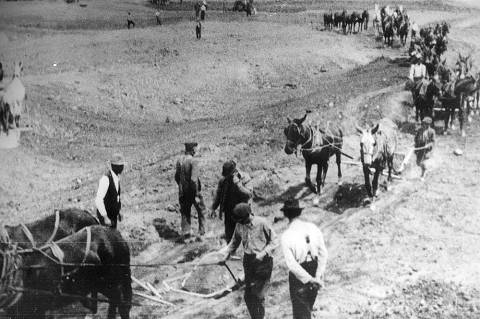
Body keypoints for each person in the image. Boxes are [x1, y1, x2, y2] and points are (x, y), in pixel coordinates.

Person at [218, 203, 278, 319]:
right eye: (239, 221)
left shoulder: (262, 223)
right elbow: (234, 242)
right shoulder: (240, 225)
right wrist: (225, 254)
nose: (241, 223)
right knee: (248, 296)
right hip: (248, 261)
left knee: (258, 294)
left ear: (249, 215)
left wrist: (263, 253)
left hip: (263, 262)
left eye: (243, 220)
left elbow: (274, 241)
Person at [281, 199, 328, 319]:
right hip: (314, 268)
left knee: (300, 313)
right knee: (308, 307)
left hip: (300, 276)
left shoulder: (286, 236)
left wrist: (309, 279)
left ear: (285, 214)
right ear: (299, 212)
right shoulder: (313, 228)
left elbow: (292, 264)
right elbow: (323, 253)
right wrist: (317, 275)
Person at [211, 160, 251, 243]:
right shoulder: (223, 180)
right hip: (229, 213)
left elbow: (249, 194)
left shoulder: (244, 178)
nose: (226, 176)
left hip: (242, 212)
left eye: (228, 174)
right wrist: (213, 208)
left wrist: (239, 185)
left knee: (244, 235)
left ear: (234, 172)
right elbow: (219, 195)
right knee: (229, 236)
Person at [175, 142, 206, 239]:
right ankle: (202, 233)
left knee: (185, 212)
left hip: (183, 191)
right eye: (195, 149)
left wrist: (182, 186)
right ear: (192, 150)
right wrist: (195, 193)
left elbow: (176, 177)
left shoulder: (179, 161)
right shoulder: (193, 161)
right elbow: (194, 179)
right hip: (193, 191)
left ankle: (186, 234)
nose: (196, 151)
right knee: (202, 210)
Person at [95, 153, 125, 229]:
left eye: (122, 166)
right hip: (106, 217)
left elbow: (116, 197)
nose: (122, 168)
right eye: (120, 166)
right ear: (114, 166)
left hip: (113, 215)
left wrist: (118, 211)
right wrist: (105, 217)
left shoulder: (116, 177)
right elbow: (98, 200)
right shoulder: (106, 179)